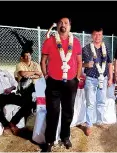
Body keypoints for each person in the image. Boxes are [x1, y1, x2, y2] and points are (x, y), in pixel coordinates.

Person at [40, 17, 82, 151]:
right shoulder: (50, 41)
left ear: (70, 26)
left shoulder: (75, 41)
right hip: (53, 82)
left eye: (66, 23)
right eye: (60, 23)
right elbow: (43, 60)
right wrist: (46, 75)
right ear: (57, 25)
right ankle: (49, 140)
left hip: (71, 82)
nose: (63, 25)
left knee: (68, 111)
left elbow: (80, 61)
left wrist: (77, 77)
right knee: (53, 112)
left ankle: (65, 137)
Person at [0, 55, 33, 136]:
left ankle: (13, 122)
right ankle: (6, 126)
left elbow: (15, 83)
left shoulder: (5, 72)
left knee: (29, 103)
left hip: (9, 94)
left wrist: (11, 88)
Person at [82, 28, 113, 136]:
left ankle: (100, 121)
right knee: (90, 103)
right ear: (92, 35)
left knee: (101, 102)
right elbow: (78, 63)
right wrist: (86, 64)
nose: (97, 37)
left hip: (103, 79)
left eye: (99, 34)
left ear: (102, 35)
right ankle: (89, 125)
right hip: (90, 79)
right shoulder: (86, 48)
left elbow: (109, 63)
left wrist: (110, 78)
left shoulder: (106, 48)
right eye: (95, 34)